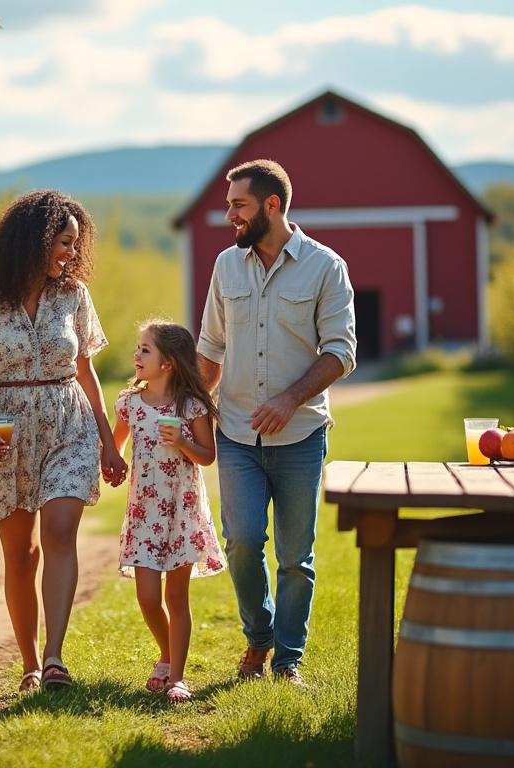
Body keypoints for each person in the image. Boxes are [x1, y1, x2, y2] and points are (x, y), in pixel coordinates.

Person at [0, 189, 127, 693]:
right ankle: (28, 662)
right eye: (63, 242)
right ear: (34, 240)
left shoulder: (75, 295)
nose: (71, 252)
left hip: (68, 421)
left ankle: (53, 658)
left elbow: (88, 373)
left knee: (61, 531)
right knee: (20, 555)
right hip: (5, 428)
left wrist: (109, 443)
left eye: (75, 243)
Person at [196, 159, 357, 685]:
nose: (229, 217)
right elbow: (211, 350)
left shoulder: (325, 267)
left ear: (272, 205)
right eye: (228, 206)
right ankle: (258, 637)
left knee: (295, 557)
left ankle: (288, 660)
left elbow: (341, 352)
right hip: (237, 433)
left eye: (238, 206)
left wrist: (290, 399)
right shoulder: (226, 266)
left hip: (300, 435)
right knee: (242, 541)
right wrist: (187, 406)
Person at [111, 320, 224, 703]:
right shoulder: (129, 404)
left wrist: (183, 440)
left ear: (169, 363)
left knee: (176, 598)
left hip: (182, 510)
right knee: (146, 596)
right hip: (144, 512)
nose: (136, 355)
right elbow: (116, 448)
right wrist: (113, 465)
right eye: (138, 348)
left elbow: (207, 457)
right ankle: (165, 652)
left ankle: (177, 676)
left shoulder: (190, 406)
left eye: (145, 350)